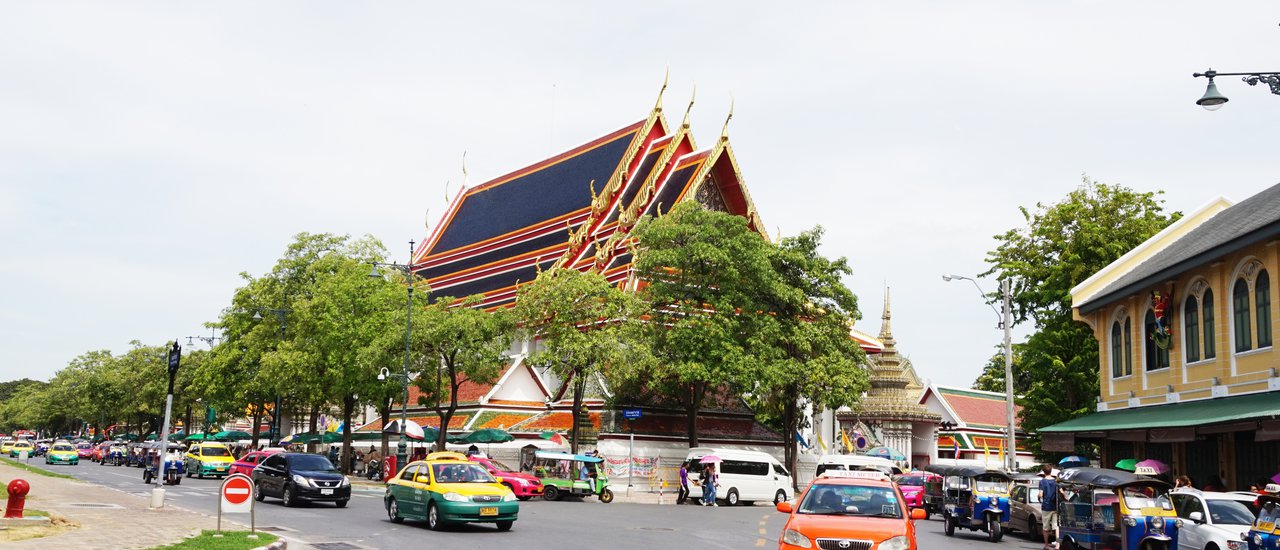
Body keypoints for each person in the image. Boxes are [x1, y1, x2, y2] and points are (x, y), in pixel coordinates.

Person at [1038, 464, 1059, 550]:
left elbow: (1040, 494)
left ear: (1043, 472)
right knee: (1056, 526)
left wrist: (1039, 498)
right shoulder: (1056, 481)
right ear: (1051, 471)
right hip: (1055, 506)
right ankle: (1057, 545)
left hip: (1046, 506)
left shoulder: (1042, 482)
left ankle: (1046, 545)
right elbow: (1061, 491)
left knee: (1046, 527)